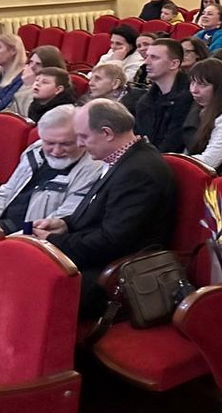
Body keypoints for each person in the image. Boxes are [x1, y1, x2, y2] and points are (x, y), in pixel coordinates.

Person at [35, 100, 176, 316]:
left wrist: (53, 241)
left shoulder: (139, 171)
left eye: (84, 136)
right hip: (98, 256)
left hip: (115, 274)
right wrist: (65, 224)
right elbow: (101, 212)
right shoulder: (123, 159)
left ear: (107, 133)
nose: (80, 144)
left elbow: (112, 241)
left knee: (32, 282)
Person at [0, 104, 100, 234]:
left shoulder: (93, 169)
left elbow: (62, 218)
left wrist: (7, 241)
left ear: (82, 139)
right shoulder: (35, 150)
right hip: (3, 225)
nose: (56, 151)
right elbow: (6, 192)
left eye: (66, 144)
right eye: (49, 143)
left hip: (28, 234)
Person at [132, 38, 195, 152]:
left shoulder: (189, 98)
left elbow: (172, 145)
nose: (146, 62)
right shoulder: (144, 102)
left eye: (154, 57)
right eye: (147, 56)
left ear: (174, 64)